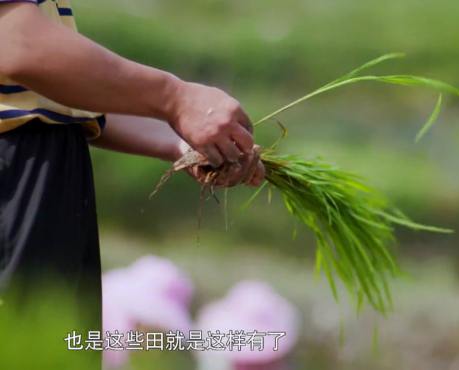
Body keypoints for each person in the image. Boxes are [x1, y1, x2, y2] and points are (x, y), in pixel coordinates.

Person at [0, 0, 265, 352]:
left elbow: (53, 89)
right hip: (16, 178)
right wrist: (175, 98)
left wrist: (179, 143)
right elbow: (18, 42)